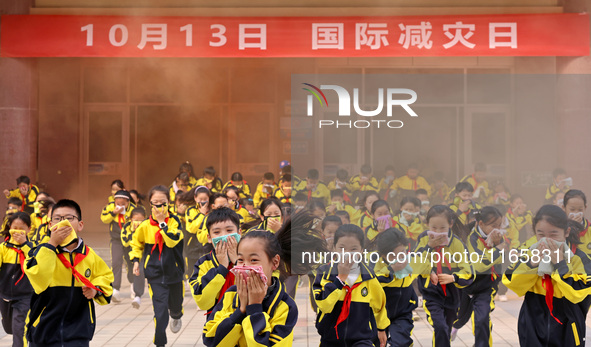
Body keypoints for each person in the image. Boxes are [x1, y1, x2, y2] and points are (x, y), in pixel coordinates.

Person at [203, 211, 325, 346]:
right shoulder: (231, 295)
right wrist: (240, 310)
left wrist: (254, 308)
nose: (246, 266)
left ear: (275, 262)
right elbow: (211, 340)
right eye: (240, 259)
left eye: (254, 260)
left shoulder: (285, 306)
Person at [24, 199, 114, 347]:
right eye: (57, 218)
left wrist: (95, 290)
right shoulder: (38, 252)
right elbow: (38, 280)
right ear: (51, 225)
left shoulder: (90, 255)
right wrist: (52, 244)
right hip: (43, 332)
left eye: (69, 218)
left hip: (78, 333)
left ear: (80, 225)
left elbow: (106, 277)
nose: (63, 222)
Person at [503, 205, 591, 346]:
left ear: (566, 232)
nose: (547, 240)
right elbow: (510, 281)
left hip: (567, 332)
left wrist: (560, 264)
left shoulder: (579, 259)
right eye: (541, 235)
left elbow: (579, 292)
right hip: (532, 329)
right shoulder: (530, 254)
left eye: (553, 234)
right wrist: (532, 264)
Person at [313, 224, 389, 346]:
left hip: (361, 338)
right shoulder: (324, 273)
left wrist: (381, 328)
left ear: (361, 251)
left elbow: (379, 305)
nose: (347, 253)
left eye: (353, 249)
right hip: (331, 339)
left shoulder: (368, 277)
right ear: (334, 248)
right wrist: (340, 279)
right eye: (342, 248)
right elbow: (324, 305)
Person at [129, 186, 184, 347]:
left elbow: (172, 240)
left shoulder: (174, 222)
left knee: (175, 305)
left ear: (169, 203)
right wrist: (136, 261)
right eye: (156, 204)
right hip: (155, 274)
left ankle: (176, 314)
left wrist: (162, 224)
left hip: (174, 272)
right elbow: (136, 244)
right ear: (150, 205)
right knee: (160, 314)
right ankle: (160, 342)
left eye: (163, 204)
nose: (159, 208)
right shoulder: (144, 226)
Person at [413, 205, 474, 347]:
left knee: (445, 329)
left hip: (453, 294)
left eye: (442, 228)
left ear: (451, 224)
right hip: (432, 292)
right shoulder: (423, 239)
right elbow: (415, 264)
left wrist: (453, 278)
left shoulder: (457, 243)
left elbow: (469, 272)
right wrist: (428, 247)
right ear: (427, 224)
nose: (438, 232)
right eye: (433, 228)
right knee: (439, 326)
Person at [450, 207, 505, 347]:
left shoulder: (498, 237)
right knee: (460, 317)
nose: (497, 229)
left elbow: (501, 260)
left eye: (499, 225)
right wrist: (498, 249)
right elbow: (479, 264)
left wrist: (497, 246)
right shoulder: (471, 238)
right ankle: (454, 327)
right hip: (468, 284)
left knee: (482, 318)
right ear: (481, 224)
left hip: (486, 287)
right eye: (493, 225)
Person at [372, 228, 430, 347]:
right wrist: (391, 270)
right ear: (383, 255)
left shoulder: (412, 260)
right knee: (377, 343)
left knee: (401, 342)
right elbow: (374, 282)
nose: (400, 258)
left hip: (403, 312)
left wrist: (432, 273)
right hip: (379, 314)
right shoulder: (377, 266)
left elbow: (425, 265)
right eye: (393, 256)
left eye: (402, 252)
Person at [190, 208, 242, 320]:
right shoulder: (203, 263)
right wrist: (222, 268)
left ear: (239, 233)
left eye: (229, 230)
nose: (224, 236)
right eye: (217, 232)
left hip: (246, 322)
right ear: (209, 238)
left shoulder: (251, 258)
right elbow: (202, 301)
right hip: (215, 325)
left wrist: (238, 264)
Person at [0, 212, 34, 347]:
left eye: (22, 229)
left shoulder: (33, 249)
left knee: (20, 329)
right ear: (9, 227)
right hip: (5, 295)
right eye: (15, 227)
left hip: (25, 296)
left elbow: (36, 264)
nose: (18, 232)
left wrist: (24, 245)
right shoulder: (3, 248)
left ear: (29, 229)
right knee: (9, 328)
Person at [100, 190, 135, 303]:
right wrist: (113, 213)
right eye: (118, 203)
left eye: (123, 203)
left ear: (128, 202)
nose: (120, 206)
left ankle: (134, 287)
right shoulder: (110, 207)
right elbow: (103, 219)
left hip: (130, 241)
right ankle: (115, 290)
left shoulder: (133, 209)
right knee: (116, 262)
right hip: (116, 240)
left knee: (130, 263)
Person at [120, 207, 147, 309]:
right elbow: (125, 242)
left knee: (140, 270)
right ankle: (135, 291)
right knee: (132, 273)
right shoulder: (126, 227)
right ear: (131, 219)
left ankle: (138, 295)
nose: (138, 222)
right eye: (136, 220)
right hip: (130, 252)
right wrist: (134, 232)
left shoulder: (147, 226)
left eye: (141, 220)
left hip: (143, 252)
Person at [562, 189, 591, 254]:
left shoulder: (589, 229)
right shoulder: (559, 229)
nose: (576, 213)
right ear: (563, 208)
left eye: (580, 210)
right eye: (572, 209)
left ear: (585, 208)